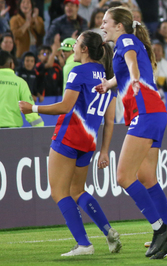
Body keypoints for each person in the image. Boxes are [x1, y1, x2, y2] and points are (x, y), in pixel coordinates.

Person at [18, 31, 120, 256]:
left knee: (59, 192)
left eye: (76, 44)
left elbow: (65, 106)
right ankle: (108, 231)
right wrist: (104, 151)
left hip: (68, 137)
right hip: (89, 142)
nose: (72, 48)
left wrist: (32, 108)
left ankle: (84, 244)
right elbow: (110, 120)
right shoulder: (109, 75)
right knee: (77, 190)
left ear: (84, 49)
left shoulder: (78, 72)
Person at [96, 7, 167, 259]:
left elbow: (131, 62)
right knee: (146, 177)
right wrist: (108, 84)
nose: (102, 25)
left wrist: (133, 78)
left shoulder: (126, 40)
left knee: (123, 176)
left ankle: (160, 229)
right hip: (153, 113)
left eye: (105, 21)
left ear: (119, 25)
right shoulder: (125, 42)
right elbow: (123, 70)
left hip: (145, 113)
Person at [0, 51, 43, 128]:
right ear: (11, 64)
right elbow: (30, 110)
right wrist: (40, 128)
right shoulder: (20, 83)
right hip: (12, 131)